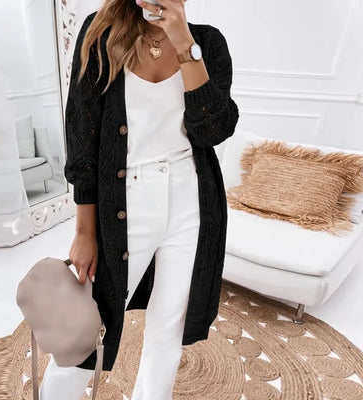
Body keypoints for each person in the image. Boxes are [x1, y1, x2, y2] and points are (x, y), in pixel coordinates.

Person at [40, 0, 239, 399]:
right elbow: (81, 137)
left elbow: (213, 131)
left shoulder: (208, 42)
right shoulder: (103, 32)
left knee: (169, 329)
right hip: (124, 197)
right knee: (88, 322)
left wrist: (183, 41)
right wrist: (84, 232)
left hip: (192, 202)